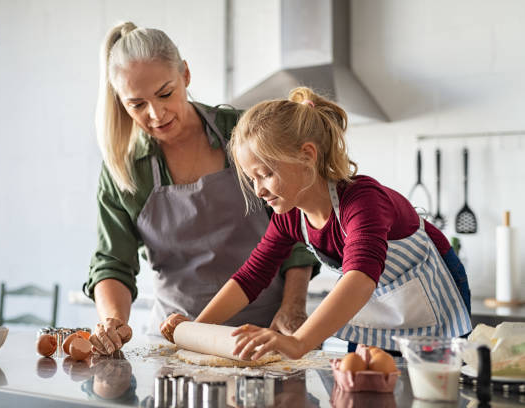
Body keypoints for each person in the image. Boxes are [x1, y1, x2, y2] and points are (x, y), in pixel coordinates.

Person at [162, 86, 472, 360]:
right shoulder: (291, 217)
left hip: (429, 297)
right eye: (251, 178)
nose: (258, 190)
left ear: (307, 155)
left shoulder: (362, 200)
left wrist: (298, 342)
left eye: (266, 174)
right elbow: (251, 276)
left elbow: (361, 277)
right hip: (376, 304)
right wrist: (196, 328)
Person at [82, 22, 319, 355]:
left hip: (266, 337)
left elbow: (299, 223)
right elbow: (113, 262)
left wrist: (294, 307)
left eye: (165, 93)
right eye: (136, 104)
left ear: (186, 75)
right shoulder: (124, 170)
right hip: (177, 343)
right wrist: (112, 322)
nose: (156, 113)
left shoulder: (244, 134)